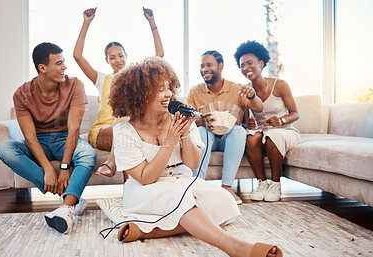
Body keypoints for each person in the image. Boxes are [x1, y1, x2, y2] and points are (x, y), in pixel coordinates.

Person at [108, 56, 282, 257]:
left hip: (182, 181)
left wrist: (184, 134)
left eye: (169, 87)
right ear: (140, 94)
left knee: (225, 200)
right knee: (178, 198)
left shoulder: (180, 117)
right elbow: (146, 178)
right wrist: (170, 141)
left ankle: (147, 230)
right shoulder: (124, 131)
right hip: (144, 189)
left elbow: (192, 163)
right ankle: (234, 247)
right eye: (160, 89)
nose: (168, 94)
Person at [0, 42, 97, 234]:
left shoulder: (75, 85)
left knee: (88, 154)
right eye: (59, 63)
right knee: (6, 149)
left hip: (65, 138)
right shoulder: (22, 94)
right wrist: (47, 170)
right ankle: (73, 198)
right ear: (42, 68)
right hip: (39, 141)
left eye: (64, 62)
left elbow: (74, 129)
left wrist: (64, 167)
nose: (65, 67)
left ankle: (66, 209)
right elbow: (30, 137)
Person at [73, 7, 164, 178]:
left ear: (126, 56)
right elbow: (77, 56)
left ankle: (127, 189)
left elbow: (159, 56)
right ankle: (111, 162)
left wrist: (152, 23)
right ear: (106, 60)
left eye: (120, 56)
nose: (117, 60)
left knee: (128, 137)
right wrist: (86, 23)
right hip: (102, 132)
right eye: (112, 57)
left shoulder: (136, 77)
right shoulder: (101, 79)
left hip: (128, 129)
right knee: (125, 125)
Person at [186, 50, 263, 204]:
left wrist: (252, 96)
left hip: (229, 139)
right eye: (201, 66)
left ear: (220, 66)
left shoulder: (236, 88)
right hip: (207, 137)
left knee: (239, 130)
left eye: (209, 65)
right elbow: (189, 120)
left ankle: (226, 187)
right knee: (201, 131)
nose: (204, 69)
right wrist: (199, 119)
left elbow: (259, 108)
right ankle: (197, 186)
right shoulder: (195, 91)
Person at [234, 40, 301, 202]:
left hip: (285, 132)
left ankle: (276, 184)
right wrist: (245, 124)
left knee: (274, 135)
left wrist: (281, 119)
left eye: (249, 63)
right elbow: (243, 119)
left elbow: (295, 113)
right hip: (261, 134)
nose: (245, 68)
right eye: (242, 65)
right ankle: (262, 183)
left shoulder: (280, 85)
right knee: (251, 137)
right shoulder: (245, 90)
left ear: (261, 63)